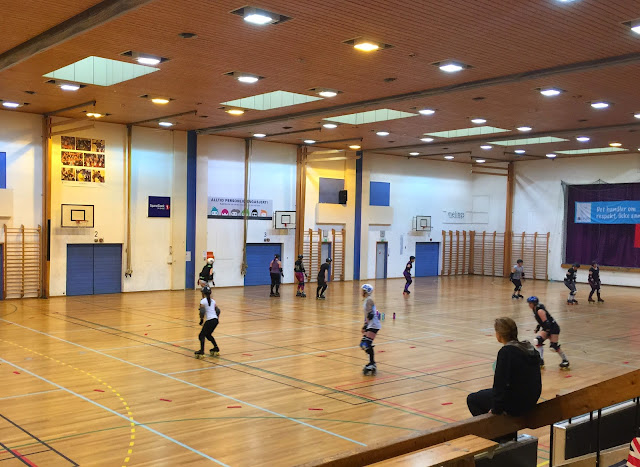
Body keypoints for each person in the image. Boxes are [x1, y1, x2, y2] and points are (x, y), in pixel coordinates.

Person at [467, 317, 541, 423]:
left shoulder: (506, 352)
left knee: (472, 399)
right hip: (531, 400)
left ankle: (495, 431)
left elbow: (500, 384)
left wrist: (495, 409)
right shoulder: (528, 348)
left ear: (499, 334)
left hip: (516, 403)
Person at [528, 296, 570, 369]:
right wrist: (538, 327)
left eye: (530, 303)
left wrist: (548, 332)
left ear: (534, 304)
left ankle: (565, 360)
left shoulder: (539, 310)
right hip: (547, 328)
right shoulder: (535, 309)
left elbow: (546, 322)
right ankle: (540, 360)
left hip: (553, 328)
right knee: (538, 341)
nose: (529, 305)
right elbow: (541, 321)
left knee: (554, 346)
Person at [360, 284, 381, 375]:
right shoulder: (366, 300)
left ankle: (372, 363)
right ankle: (372, 363)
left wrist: (365, 326)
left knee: (366, 344)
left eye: (363, 290)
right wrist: (365, 325)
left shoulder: (369, 300)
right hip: (370, 325)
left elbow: (370, 315)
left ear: (366, 291)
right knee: (363, 344)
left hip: (374, 325)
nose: (361, 292)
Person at [194, 286, 221, 358]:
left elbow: (202, 311)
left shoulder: (203, 301)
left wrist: (201, 320)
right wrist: (216, 318)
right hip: (215, 320)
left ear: (203, 293)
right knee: (208, 335)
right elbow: (218, 311)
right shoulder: (213, 301)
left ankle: (202, 351)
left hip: (209, 320)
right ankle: (216, 348)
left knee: (201, 335)